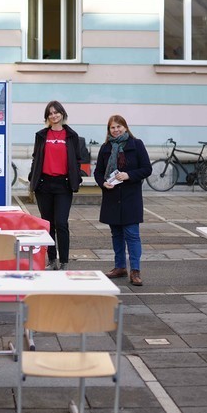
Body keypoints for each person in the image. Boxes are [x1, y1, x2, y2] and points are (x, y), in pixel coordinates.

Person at [94, 115, 151, 286]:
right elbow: (98, 172)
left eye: (119, 126)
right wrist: (103, 183)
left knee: (132, 235)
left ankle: (135, 271)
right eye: (112, 127)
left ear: (125, 127)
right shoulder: (105, 147)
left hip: (130, 197)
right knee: (116, 234)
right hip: (112, 197)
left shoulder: (137, 144)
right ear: (108, 130)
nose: (116, 130)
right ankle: (120, 267)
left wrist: (129, 175)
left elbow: (147, 168)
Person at [28, 100, 82, 270]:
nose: (53, 115)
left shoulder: (72, 136)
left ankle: (64, 261)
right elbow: (36, 158)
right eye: (50, 113)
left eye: (56, 112)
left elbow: (77, 159)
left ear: (62, 114)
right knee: (48, 224)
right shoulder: (41, 135)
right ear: (47, 117)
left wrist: (76, 177)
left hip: (63, 185)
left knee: (61, 223)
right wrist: (33, 178)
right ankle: (52, 260)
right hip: (44, 185)